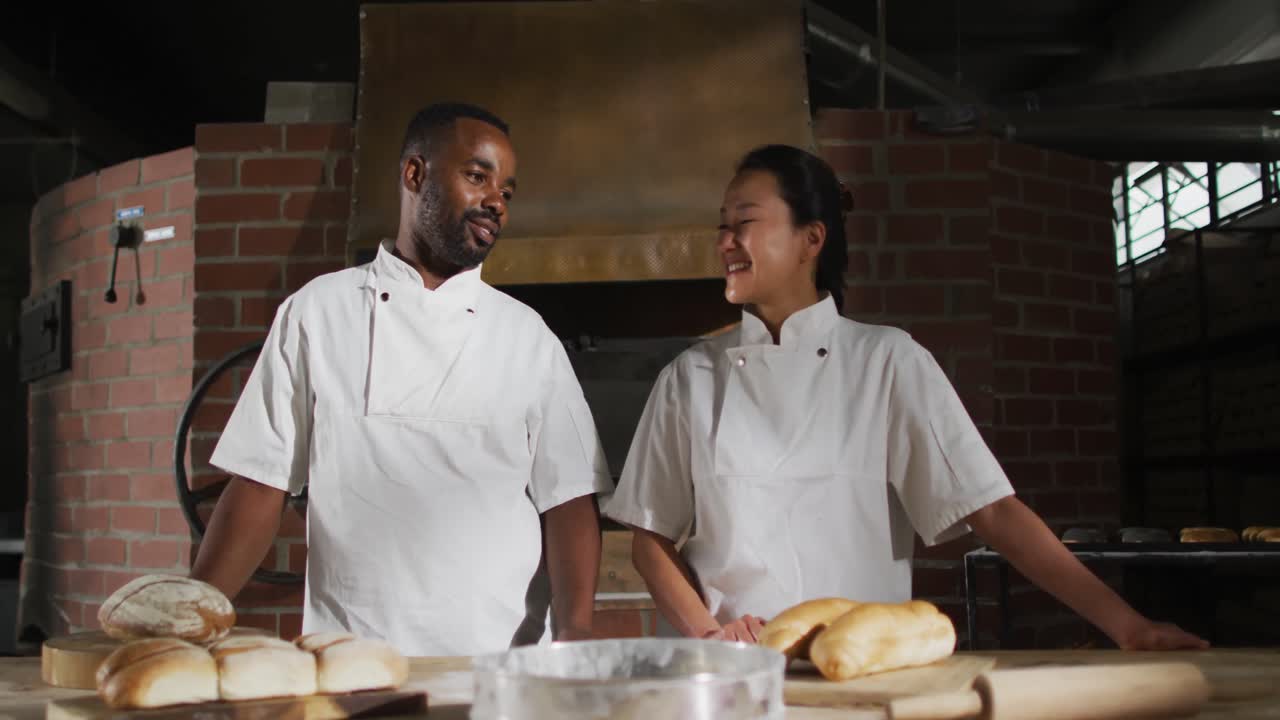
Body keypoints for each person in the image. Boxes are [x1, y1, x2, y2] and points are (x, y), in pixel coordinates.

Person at [602, 143, 1208, 651]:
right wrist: (711, 638)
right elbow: (650, 537)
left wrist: (1129, 626)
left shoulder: (887, 361)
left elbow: (993, 511)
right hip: (740, 683)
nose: (726, 241)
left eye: (745, 222)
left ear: (811, 238)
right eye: (722, 226)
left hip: (865, 666)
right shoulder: (689, 378)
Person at [191, 102, 612, 656]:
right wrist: (192, 619)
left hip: (497, 662)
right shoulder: (318, 311)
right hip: (349, 661)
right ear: (415, 174)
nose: (495, 202)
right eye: (477, 176)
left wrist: (576, 628)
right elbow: (259, 483)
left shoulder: (527, 336)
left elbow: (570, 498)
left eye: (506, 191)